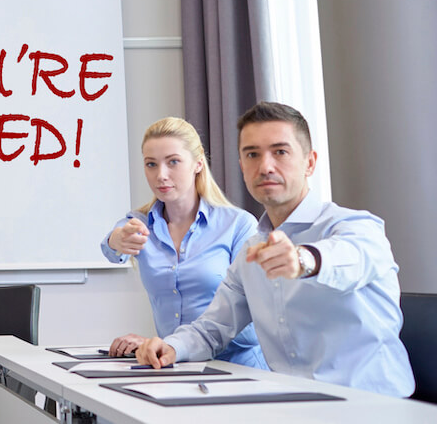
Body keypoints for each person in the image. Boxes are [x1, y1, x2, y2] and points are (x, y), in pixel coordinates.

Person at [136, 102, 414, 397]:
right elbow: (212, 328)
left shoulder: (355, 226)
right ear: (243, 166)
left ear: (309, 162)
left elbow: (352, 257)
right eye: (252, 154)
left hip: (371, 407)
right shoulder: (251, 252)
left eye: (280, 152)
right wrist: (172, 347)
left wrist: (303, 259)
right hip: (291, 405)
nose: (265, 166)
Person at [101, 117, 266, 369]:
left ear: (198, 163)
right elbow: (112, 244)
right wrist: (117, 239)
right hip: (177, 367)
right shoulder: (141, 224)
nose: (161, 175)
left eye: (173, 162)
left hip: (239, 369)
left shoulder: (238, 225)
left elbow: (254, 316)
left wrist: (177, 345)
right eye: (151, 164)